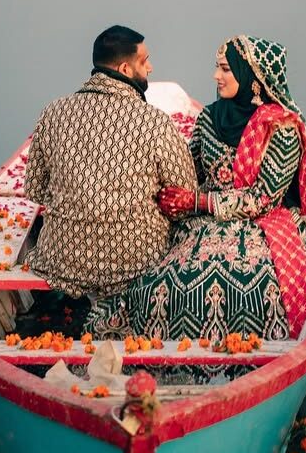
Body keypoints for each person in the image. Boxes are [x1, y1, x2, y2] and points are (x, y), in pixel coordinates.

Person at [86, 35, 306, 341]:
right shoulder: (209, 117)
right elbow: (188, 171)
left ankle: (245, 356)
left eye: (225, 69)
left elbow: (264, 200)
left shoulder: (281, 127)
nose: (215, 76)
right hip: (202, 226)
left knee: (256, 289)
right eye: (216, 68)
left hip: (263, 226)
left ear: (252, 78)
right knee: (161, 284)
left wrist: (198, 202)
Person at [23, 25, 198, 299]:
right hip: (136, 264)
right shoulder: (154, 122)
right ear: (126, 70)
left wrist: (77, 199)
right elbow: (184, 196)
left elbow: (34, 189)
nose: (150, 67)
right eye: (145, 61)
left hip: (62, 263)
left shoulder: (53, 112)